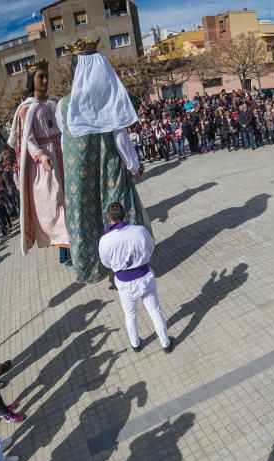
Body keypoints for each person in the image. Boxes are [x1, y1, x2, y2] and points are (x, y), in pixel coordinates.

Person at [57, 38, 152, 285]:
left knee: (90, 221)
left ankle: (100, 267)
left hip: (81, 179)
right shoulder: (109, 101)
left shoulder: (62, 105)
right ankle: (127, 264)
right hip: (110, 171)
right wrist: (133, 165)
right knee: (117, 215)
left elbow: (64, 142)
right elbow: (121, 139)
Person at [7, 59, 69, 256]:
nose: (44, 80)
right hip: (45, 163)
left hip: (63, 154)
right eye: (40, 77)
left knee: (69, 199)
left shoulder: (54, 102)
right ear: (31, 80)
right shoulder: (26, 109)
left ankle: (69, 247)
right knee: (54, 200)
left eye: (46, 76)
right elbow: (27, 139)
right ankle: (65, 249)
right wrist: (41, 157)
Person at [98, 202, 174, 353]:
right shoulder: (140, 231)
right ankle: (165, 343)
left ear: (108, 217)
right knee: (155, 312)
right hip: (145, 277)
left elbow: (106, 263)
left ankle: (136, 344)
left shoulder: (105, 240)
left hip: (125, 283)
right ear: (125, 214)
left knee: (130, 314)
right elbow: (151, 248)